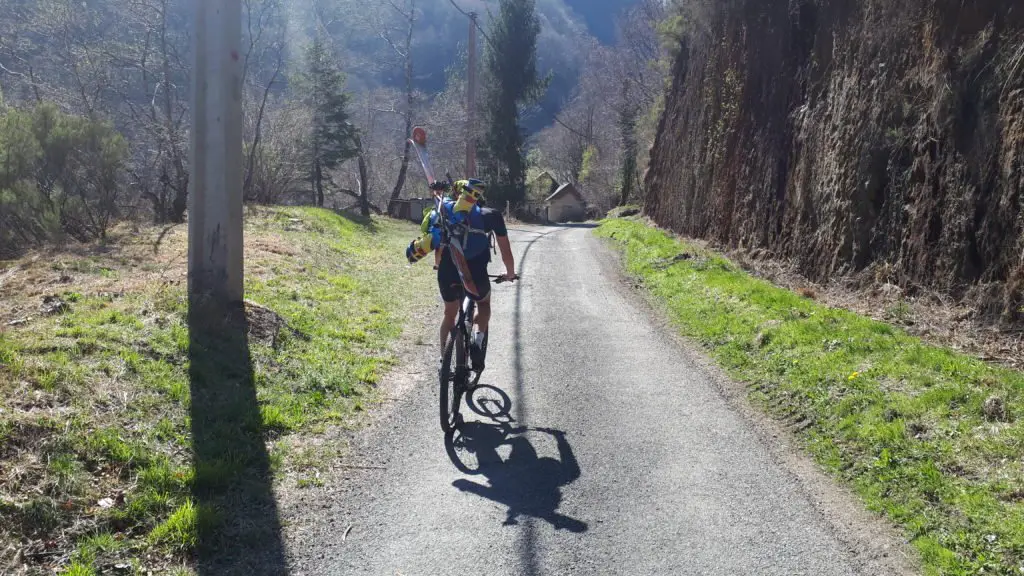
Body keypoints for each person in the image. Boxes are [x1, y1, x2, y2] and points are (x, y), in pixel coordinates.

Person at [406, 178, 517, 372]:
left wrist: (437, 265)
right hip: (475, 273)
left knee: (449, 314)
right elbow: (505, 250)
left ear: (455, 196)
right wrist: (510, 273)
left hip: (449, 270)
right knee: (483, 303)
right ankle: (478, 339)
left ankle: (443, 361)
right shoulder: (491, 215)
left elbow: (438, 245)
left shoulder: (444, 215)